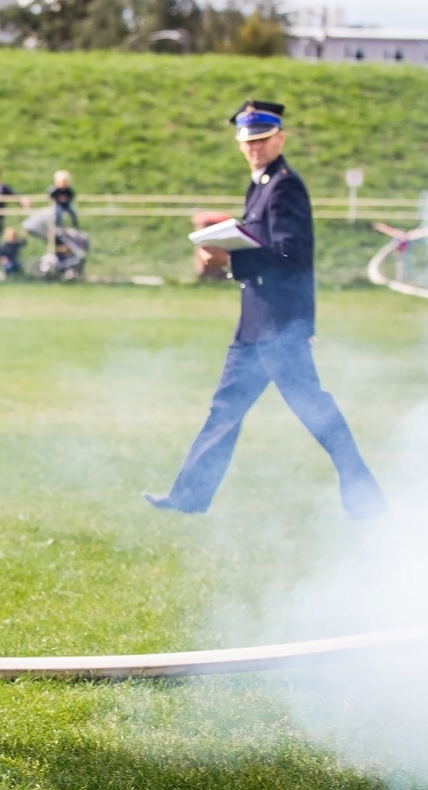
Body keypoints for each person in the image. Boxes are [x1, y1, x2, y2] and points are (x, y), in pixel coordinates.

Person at [146, 100, 386, 519]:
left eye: (262, 139)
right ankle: (188, 497)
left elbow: (291, 256)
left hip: (280, 325)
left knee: (315, 411)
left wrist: (232, 257)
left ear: (280, 139)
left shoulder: (285, 187)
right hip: (255, 324)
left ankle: (366, 499)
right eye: (248, 141)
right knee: (225, 411)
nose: (254, 148)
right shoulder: (260, 185)